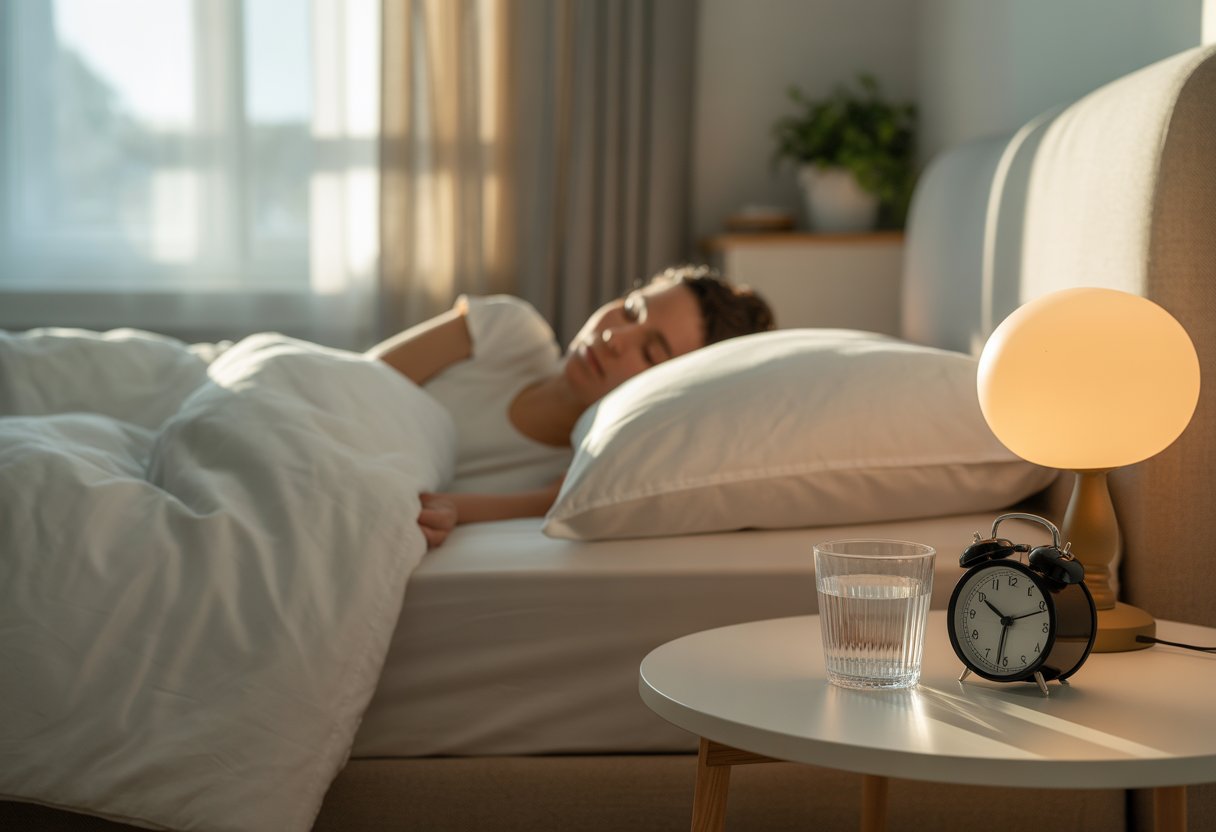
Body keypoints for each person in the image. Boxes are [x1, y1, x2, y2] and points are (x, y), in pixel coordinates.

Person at [367, 264, 775, 548]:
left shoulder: (586, 475)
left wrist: (465, 509)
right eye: (630, 310)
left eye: (650, 352)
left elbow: (433, 508)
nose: (615, 338)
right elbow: (357, 380)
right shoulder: (506, 330)